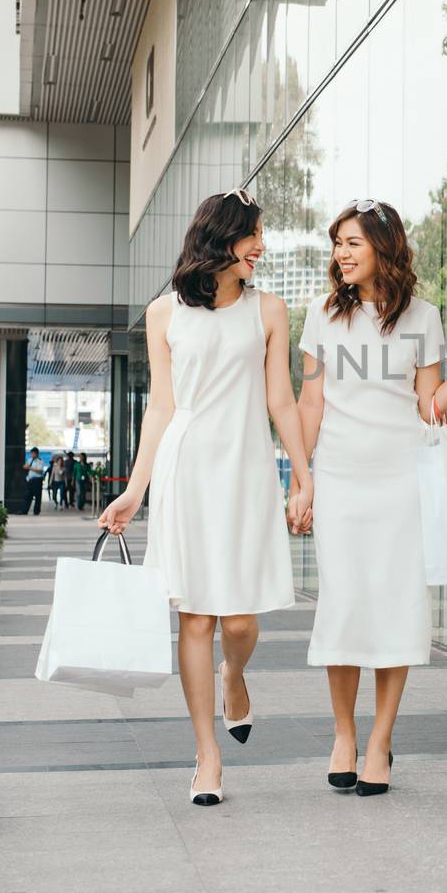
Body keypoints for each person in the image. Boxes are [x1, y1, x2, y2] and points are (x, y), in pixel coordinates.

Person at [99, 188, 314, 806]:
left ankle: (235, 675)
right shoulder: (164, 312)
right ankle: (206, 754)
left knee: (241, 620)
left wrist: (303, 475)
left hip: (245, 466)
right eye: (253, 237)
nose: (261, 247)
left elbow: (280, 400)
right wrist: (135, 491)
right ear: (221, 238)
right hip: (185, 468)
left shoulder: (268, 310)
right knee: (194, 616)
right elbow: (161, 407)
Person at [297, 198, 447, 797]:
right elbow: (311, 402)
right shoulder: (320, 315)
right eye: (337, 243)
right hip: (339, 475)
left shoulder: (423, 317)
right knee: (341, 604)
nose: (341, 254)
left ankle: (381, 741)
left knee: (394, 609)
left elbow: (428, 408)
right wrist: (302, 479)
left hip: (400, 480)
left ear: (383, 248)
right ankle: (343, 734)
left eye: (353, 243)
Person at [23, 447, 46, 515]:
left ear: (36, 454)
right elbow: (26, 466)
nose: (32, 455)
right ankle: (25, 510)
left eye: (33, 453)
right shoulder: (29, 460)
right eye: (31, 453)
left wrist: (30, 468)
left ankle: (36, 511)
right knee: (28, 496)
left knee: (37, 496)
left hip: (37, 480)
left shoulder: (40, 461)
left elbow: (40, 471)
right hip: (30, 480)